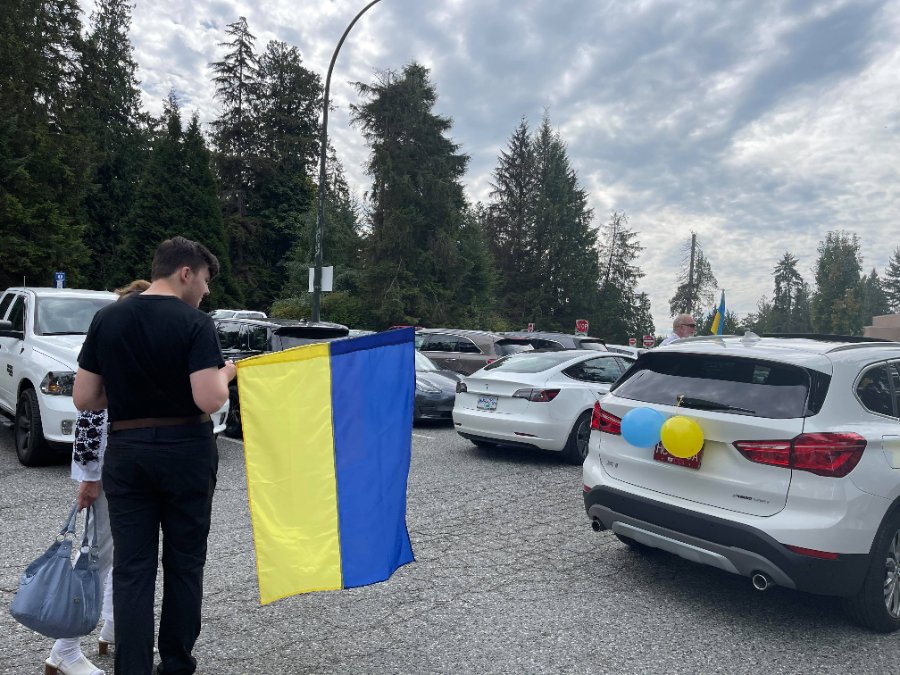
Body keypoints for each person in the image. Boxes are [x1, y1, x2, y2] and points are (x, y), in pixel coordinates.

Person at [74, 237, 236, 675]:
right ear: (185, 273)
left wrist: (130, 392)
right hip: (186, 452)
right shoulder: (196, 324)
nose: (206, 291)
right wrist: (226, 372)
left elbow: (85, 397)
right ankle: (177, 664)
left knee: (132, 568)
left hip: (128, 451)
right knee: (185, 562)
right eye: (205, 280)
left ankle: (132, 669)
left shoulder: (107, 318)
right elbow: (208, 399)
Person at [44, 280, 150, 675]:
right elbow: (89, 419)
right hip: (107, 471)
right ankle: (64, 649)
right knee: (95, 558)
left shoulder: (133, 347)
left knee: (120, 553)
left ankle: (112, 624)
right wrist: (89, 477)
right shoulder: (110, 347)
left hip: (126, 467)